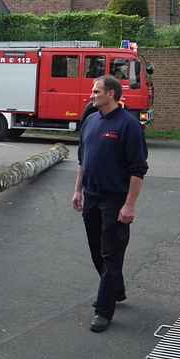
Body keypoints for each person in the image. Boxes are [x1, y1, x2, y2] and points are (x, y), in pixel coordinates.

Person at [72, 75, 148, 333]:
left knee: (111, 254)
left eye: (96, 91)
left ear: (112, 94)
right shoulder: (91, 121)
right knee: (97, 251)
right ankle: (116, 289)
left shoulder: (129, 126)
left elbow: (138, 170)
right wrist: (77, 191)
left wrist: (129, 205)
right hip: (91, 196)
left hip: (115, 200)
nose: (92, 95)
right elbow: (83, 160)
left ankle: (103, 311)